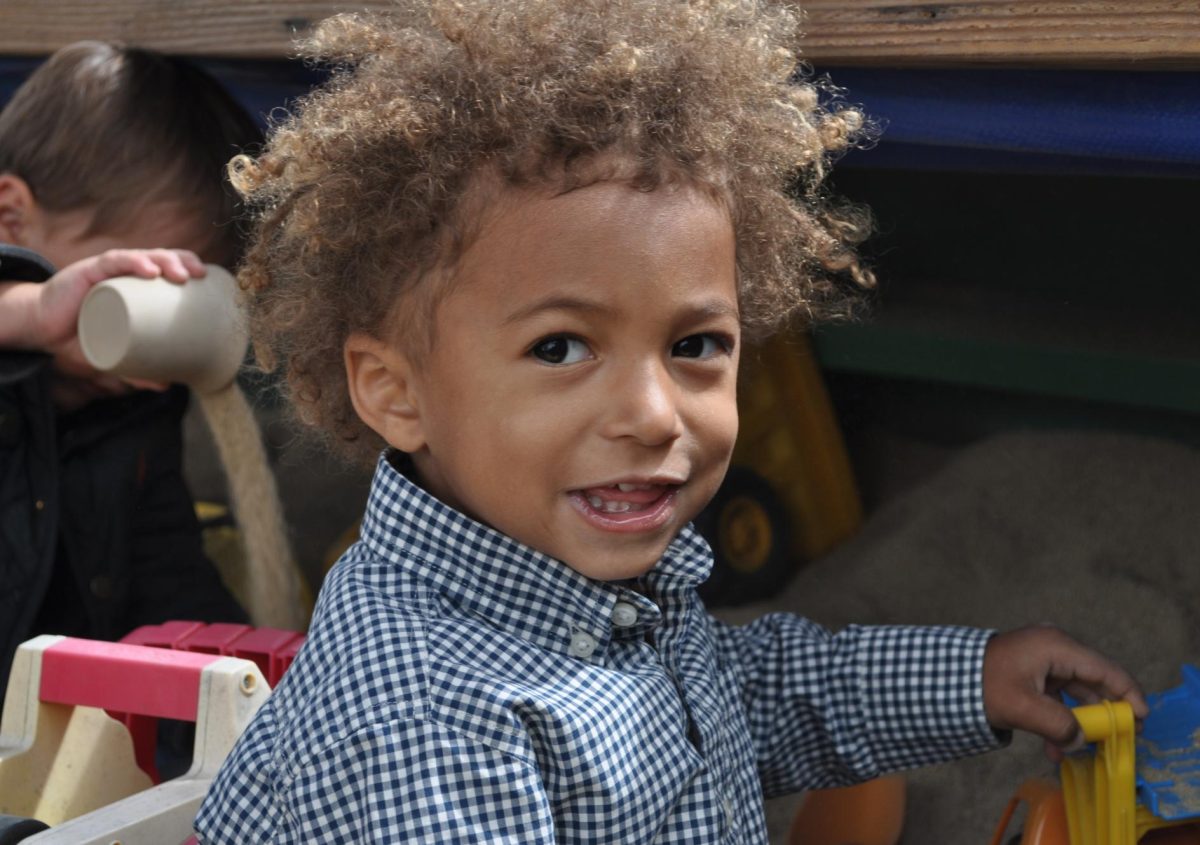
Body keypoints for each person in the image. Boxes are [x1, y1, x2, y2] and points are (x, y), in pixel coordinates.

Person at [195, 2, 1146, 842]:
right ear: (394, 390)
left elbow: (739, 695)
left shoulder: (582, 587)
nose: (655, 416)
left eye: (696, 345)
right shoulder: (420, 725)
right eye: (562, 349)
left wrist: (972, 675)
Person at [0, 41, 256, 694]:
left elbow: (168, 581)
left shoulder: (137, 407)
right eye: (136, 278)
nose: (156, 322)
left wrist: (240, 681)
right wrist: (29, 311)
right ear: (11, 218)